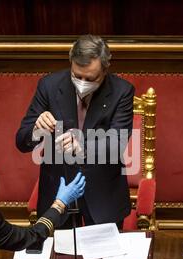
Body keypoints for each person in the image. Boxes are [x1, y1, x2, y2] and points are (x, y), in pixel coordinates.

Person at [16, 34, 134, 229]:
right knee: (60, 258)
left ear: (105, 69)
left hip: (103, 193)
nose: (82, 82)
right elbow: (21, 140)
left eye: (90, 78)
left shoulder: (122, 91)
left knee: (103, 258)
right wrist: (37, 130)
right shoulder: (49, 86)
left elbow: (117, 143)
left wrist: (84, 147)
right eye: (76, 76)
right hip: (58, 191)